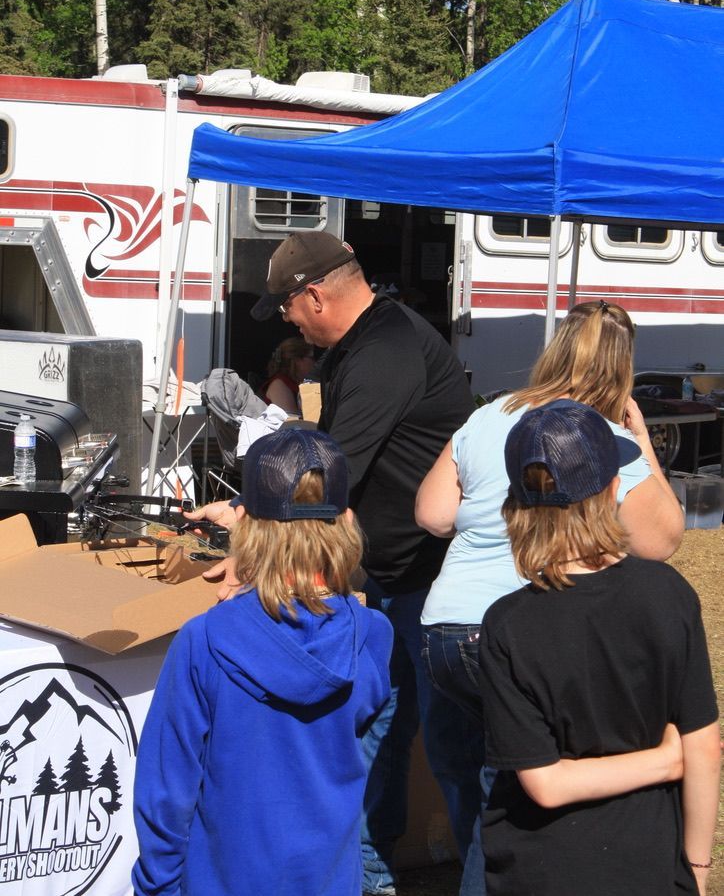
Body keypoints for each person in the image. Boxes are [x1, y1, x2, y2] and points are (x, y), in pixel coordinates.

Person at [191, 230, 475, 896]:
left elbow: (321, 471)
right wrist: (247, 512)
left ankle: (480, 877)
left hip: (433, 583)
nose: (286, 321)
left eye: (286, 307)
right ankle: (370, 875)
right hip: (389, 577)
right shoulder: (361, 345)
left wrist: (247, 529)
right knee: (376, 732)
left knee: (451, 749)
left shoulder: (386, 352)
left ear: (314, 294)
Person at [415, 299, 685, 894]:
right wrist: (645, 447)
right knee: (511, 802)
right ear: (622, 368)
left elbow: (433, 515)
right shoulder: (601, 437)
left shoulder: (490, 413)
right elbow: (662, 539)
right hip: (518, 629)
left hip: (442, 628)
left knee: (467, 782)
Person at [133, 428, 393, 896]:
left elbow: (166, 787)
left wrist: (157, 886)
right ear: (348, 519)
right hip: (329, 879)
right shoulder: (372, 635)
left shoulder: (205, 639)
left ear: (246, 524)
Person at [477, 399, 720, 895]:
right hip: (649, 862)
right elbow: (702, 746)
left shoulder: (507, 624)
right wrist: (697, 864)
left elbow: (544, 781)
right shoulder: (669, 594)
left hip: (540, 869)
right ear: (612, 491)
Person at [258, 335, 315, 415]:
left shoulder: (297, 383)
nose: (314, 362)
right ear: (298, 360)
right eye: (311, 358)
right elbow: (292, 421)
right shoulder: (279, 385)